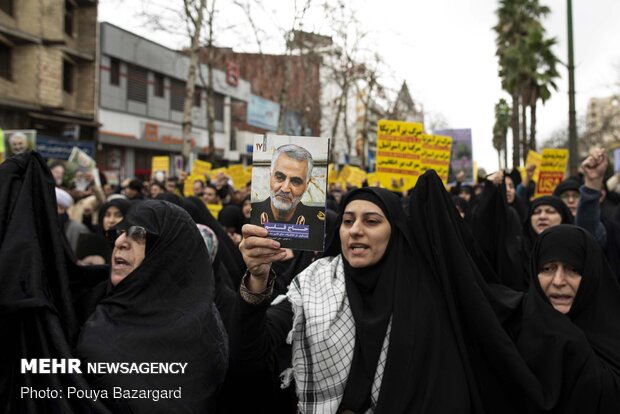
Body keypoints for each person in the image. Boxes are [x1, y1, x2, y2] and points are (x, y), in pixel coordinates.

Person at [236, 186, 476, 413]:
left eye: (371, 221)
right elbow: (249, 351)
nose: (355, 230)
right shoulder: (313, 283)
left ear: (395, 231)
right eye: (348, 221)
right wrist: (257, 279)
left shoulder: (421, 293)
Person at [75, 200, 229, 413]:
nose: (120, 241)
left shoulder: (202, 324)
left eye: (138, 234)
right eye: (119, 232)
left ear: (168, 251)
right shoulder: (89, 301)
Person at [250, 144, 325, 250]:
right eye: (280, 177)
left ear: (307, 185)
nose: (285, 189)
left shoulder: (319, 223)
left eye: (296, 181)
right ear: (270, 175)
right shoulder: (250, 214)